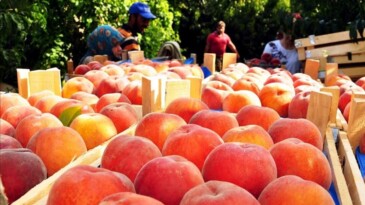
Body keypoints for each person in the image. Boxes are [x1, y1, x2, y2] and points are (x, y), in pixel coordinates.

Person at [79, 2, 156, 64]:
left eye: (148, 20)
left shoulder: (118, 31)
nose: (147, 24)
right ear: (133, 17)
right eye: (144, 19)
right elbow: (138, 66)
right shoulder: (131, 42)